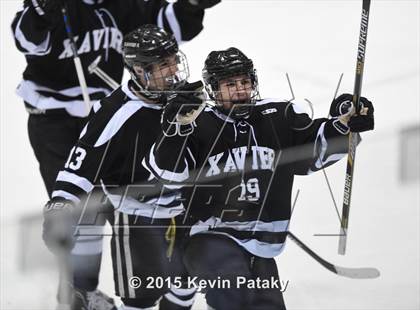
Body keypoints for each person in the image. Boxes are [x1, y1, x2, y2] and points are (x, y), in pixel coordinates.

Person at [11, 0, 220, 308]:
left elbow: (165, 28)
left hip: (106, 108)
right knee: (82, 211)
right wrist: (42, 12)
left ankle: (146, 273)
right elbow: (27, 39)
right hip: (55, 119)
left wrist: (189, 6)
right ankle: (78, 292)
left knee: (127, 203)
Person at [144, 47, 375, 310]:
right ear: (213, 89)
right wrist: (175, 128)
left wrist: (346, 122)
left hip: (261, 245)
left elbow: (314, 150)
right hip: (208, 237)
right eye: (230, 84)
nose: (240, 90)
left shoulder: (278, 116)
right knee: (231, 290)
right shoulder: (197, 122)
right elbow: (168, 173)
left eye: (244, 82)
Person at [42, 25, 198, 310]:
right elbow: (79, 165)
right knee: (141, 297)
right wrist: (60, 205)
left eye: (174, 59)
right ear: (140, 71)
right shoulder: (116, 112)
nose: (174, 69)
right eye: (164, 64)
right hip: (136, 215)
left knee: (185, 284)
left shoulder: (185, 100)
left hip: (183, 210)